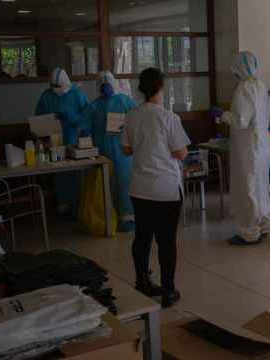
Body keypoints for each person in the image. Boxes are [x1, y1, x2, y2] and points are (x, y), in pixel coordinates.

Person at [121, 68, 190, 307]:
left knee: (142, 237)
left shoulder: (131, 116)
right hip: (166, 189)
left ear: (141, 88)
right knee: (166, 240)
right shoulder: (169, 118)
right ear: (161, 87)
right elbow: (181, 152)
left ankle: (142, 282)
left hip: (140, 189)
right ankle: (169, 291)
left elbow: (126, 150)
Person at [221, 51, 270, 246]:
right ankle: (263, 225)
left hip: (248, 144)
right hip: (262, 142)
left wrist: (223, 115)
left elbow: (240, 121)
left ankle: (249, 232)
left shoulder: (243, 89)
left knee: (247, 186)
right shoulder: (261, 85)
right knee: (261, 184)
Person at [84, 71, 137, 232]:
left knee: (124, 184)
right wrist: (84, 132)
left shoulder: (124, 101)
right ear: (99, 88)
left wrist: (127, 125)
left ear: (113, 85)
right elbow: (84, 124)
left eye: (108, 86)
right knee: (106, 186)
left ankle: (128, 218)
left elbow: (137, 119)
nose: (106, 89)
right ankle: (109, 218)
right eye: (103, 86)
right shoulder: (93, 106)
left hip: (123, 152)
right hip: (102, 152)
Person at [36, 68, 89, 216]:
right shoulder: (46, 96)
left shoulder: (78, 95)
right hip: (54, 145)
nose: (56, 90)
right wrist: (43, 135)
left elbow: (87, 118)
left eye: (59, 87)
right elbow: (39, 118)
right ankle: (63, 205)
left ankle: (78, 207)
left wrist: (72, 118)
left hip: (74, 141)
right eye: (54, 87)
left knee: (76, 175)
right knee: (60, 175)